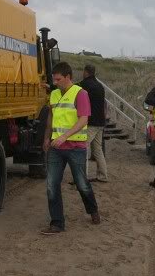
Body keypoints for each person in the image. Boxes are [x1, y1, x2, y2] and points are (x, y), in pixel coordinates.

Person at [42, 62, 100, 235]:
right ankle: (57, 223)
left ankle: (93, 210)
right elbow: (51, 118)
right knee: (52, 185)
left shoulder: (80, 94)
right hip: (55, 147)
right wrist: (47, 137)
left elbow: (83, 119)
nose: (56, 82)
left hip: (75, 147)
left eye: (58, 79)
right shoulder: (53, 94)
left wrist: (63, 137)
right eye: (54, 79)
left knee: (82, 184)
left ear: (68, 77)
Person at [79, 64, 108, 182]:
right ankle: (102, 176)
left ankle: (81, 178)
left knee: (82, 148)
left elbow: (69, 88)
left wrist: (52, 86)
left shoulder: (85, 84)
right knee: (97, 150)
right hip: (100, 122)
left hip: (91, 122)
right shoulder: (100, 86)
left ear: (86, 72)